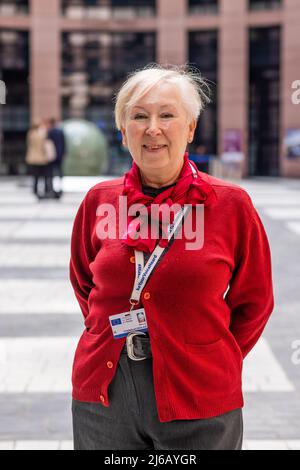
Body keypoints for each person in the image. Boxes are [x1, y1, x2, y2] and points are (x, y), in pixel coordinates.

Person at [70, 64, 274, 450]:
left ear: (191, 128)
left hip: (199, 396)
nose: (153, 129)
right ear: (122, 130)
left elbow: (255, 300)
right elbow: (84, 283)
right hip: (104, 393)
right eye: (139, 116)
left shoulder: (231, 205)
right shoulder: (99, 201)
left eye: (167, 115)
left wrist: (211, 355)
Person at [25, 122, 52, 200]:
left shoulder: (30, 134)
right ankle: (45, 190)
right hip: (41, 158)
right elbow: (45, 145)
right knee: (44, 175)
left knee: (35, 176)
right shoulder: (42, 134)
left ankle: (35, 189)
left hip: (33, 157)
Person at [46, 117, 66, 198]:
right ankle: (60, 187)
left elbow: (47, 144)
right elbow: (64, 143)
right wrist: (64, 153)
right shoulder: (60, 131)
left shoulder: (49, 132)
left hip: (51, 155)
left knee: (51, 173)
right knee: (59, 172)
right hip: (59, 154)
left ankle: (51, 188)